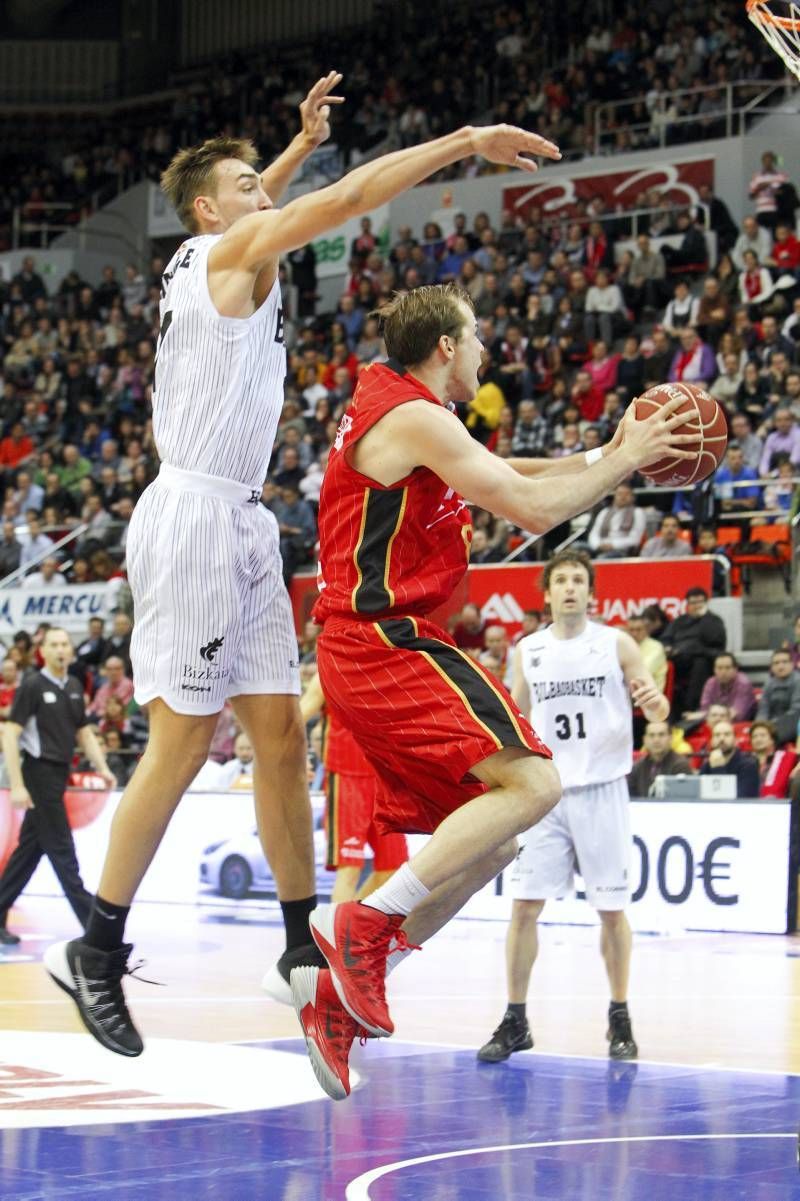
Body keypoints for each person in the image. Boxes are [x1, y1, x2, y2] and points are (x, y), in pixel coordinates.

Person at [43, 84, 567, 1057]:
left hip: (240, 519)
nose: (270, 191)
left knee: (279, 736)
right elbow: (332, 204)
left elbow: (261, 196)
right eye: (251, 184)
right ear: (211, 209)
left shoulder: (225, 242)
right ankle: (97, 946)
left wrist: (289, 146)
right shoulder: (224, 250)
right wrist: (459, 140)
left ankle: (298, 947)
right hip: (195, 512)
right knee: (184, 738)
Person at [286, 283, 693, 1100]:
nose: (485, 353)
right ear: (444, 347)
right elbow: (532, 505)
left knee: (493, 841)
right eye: (475, 338)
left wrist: (606, 449)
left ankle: (338, 988)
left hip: (374, 643)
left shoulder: (407, 411)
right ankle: (360, 927)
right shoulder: (412, 416)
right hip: (383, 636)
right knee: (536, 781)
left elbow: (513, 471)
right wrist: (625, 461)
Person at [476, 550, 670, 1066]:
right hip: (546, 793)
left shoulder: (615, 642)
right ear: (546, 593)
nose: (569, 587)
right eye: (560, 579)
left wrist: (655, 703)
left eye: (578, 580)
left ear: (591, 592)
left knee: (611, 910)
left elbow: (658, 706)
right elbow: (516, 718)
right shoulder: (528, 650)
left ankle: (620, 1016)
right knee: (524, 907)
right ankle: (515, 1019)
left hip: (603, 788)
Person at [0, 628, 115, 945]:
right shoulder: (33, 686)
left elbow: (84, 734)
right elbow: (10, 734)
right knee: (63, 852)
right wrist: (19, 785)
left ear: (71, 650)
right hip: (38, 774)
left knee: (29, 853)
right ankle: (94, 925)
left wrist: (102, 768)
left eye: (65, 644)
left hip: (59, 774)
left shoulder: (75, 686)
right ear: (43, 652)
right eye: (54, 645)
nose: (61, 649)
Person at [300, 673, 408, 903]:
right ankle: (339, 936)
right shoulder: (328, 672)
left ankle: (351, 926)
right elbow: (298, 716)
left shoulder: (390, 667)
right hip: (347, 778)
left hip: (385, 778)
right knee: (350, 868)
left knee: (394, 868)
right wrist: (296, 755)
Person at [662, 588, 726, 716]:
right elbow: (665, 638)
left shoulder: (714, 621)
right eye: (693, 602)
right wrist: (668, 647)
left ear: (706, 603)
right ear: (687, 604)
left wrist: (705, 617)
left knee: (700, 663)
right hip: (680, 658)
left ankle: (692, 707)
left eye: (700, 602)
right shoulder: (679, 621)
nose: (697, 606)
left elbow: (715, 641)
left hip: (704, 656)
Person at [627, 720, 693, 796]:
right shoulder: (637, 767)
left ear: (671, 738)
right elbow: (631, 798)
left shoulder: (681, 765)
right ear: (644, 740)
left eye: (661, 735)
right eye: (651, 735)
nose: (656, 740)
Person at [700, 719, 759, 797]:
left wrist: (718, 769)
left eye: (727, 734)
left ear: (735, 740)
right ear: (712, 741)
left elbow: (739, 801)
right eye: (717, 735)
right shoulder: (707, 765)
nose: (721, 739)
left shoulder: (748, 766)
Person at [694, 652, 756, 723]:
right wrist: (705, 715)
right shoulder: (710, 683)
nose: (723, 672)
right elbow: (704, 709)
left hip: (739, 725)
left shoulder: (743, 683)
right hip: (714, 724)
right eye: (719, 668)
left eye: (727, 668)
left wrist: (706, 715)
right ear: (714, 670)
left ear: (735, 669)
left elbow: (737, 715)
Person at [756, 648, 800, 745]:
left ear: (792, 664)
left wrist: (772, 725)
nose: (780, 666)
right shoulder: (769, 683)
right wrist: (759, 726)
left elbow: (795, 710)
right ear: (771, 667)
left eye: (784, 662)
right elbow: (763, 709)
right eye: (776, 663)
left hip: (792, 725)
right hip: (770, 727)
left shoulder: (798, 681)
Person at [749, 720, 796, 798]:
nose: (758, 739)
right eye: (754, 736)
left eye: (762, 735)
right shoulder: (746, 760)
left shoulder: (785, 757)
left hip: (777, 803)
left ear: (772, 739)